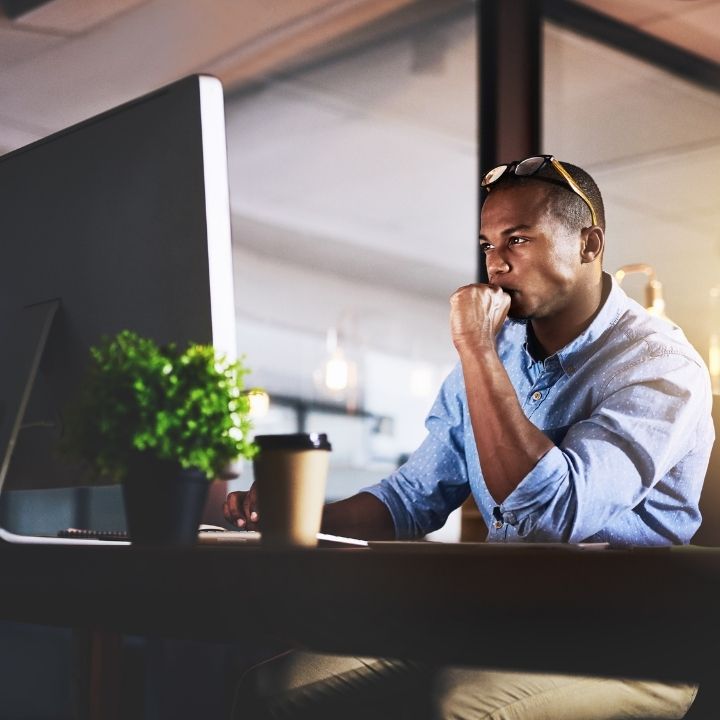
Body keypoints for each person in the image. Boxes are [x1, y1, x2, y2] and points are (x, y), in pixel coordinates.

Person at [224, 156, 714, 720]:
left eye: (518, 240)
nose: (495, 264)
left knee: (469, 708)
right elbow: (411, 499)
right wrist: (299, 517)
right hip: (496, 617)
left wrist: (476, 348)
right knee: (273, 690)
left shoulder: (659, 365)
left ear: (588, 244)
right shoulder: (498, 350)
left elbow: (553, 516)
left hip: (629, 640)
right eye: (487, 245)